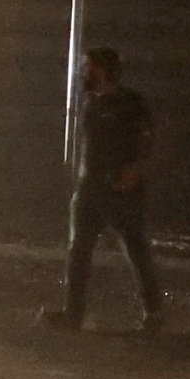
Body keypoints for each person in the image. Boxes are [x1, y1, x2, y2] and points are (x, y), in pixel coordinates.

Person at [52, 43, 165, 333]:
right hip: (90, 187)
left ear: (100, 70)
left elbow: (153, 138)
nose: (82, 73)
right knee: (79, 251)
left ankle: (154, 313)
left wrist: (137, 169)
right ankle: (72, 315)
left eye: (87, 67)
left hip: (121, 187)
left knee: (135, 248)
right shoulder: (91, 103)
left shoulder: (130, 104)